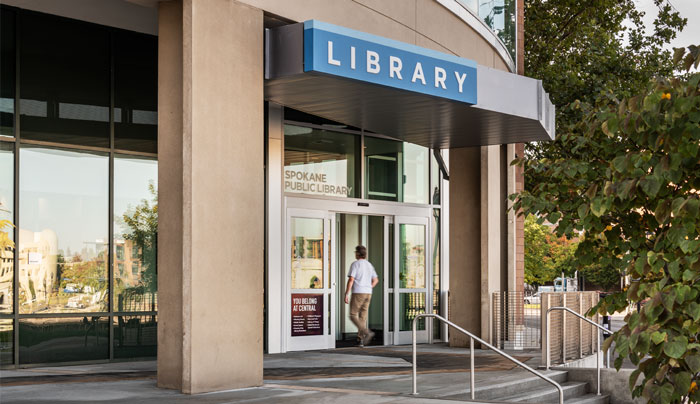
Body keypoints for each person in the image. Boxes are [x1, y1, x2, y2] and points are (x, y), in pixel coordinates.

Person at [344, 245, 378, 346]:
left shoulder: (355, 264)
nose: (355, 253)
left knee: (353, 315)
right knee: (362, 317)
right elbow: (376, 280)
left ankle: (366, 332)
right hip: (368, 293)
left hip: (358, 292)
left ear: (358, 253)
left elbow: (351, 279)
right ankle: (361, 340)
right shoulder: (369, 265)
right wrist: (369, 287)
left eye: (355, 252)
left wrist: (346, 293)